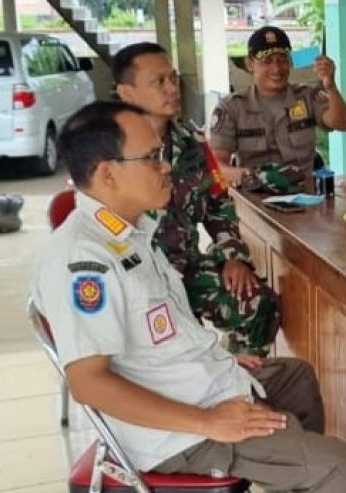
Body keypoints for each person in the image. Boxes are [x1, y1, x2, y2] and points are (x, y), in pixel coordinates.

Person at [32, 101, 346, 491]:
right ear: (107, 174)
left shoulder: (131, 232)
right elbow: (88, 384)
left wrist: (220, 362)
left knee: (295, 377)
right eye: (151, 158)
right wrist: (209, 422)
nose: (165, 166)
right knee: (343, 468)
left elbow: (161, 329)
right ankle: (307, 469)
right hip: (176, 435)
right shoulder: (84, 261)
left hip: (191, 386)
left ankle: (292, 468)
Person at [112, 42, 278, 355]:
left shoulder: (191, 144)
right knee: (176, 343)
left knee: (256, 302)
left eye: (173, 78)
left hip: (185, 269)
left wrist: (231, 256)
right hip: (134, 278)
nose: (172, 88)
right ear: (126, 92)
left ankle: (241, 379)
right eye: (158, 82)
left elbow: (217, 204)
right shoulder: (108, 150)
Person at [210, 25, 346, 187]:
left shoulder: (306, 97)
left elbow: (342, 123)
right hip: (255, 197)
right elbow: (217, 165)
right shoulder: (232, 108)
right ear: (250, 64)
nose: (276, 69)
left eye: (282, 60)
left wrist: (330, 86)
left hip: (305, 195)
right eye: (267, 62)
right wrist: (246, 175)